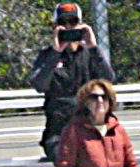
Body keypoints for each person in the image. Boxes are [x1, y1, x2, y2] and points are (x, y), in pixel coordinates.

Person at [30, 2, 113, 155]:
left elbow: (108, 79)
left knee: (99, 153)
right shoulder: (47, 56)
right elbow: (40, 85)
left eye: (72, 22)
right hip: (59, 132)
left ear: (80, 25)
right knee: (66, 154)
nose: (68, 27)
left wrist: (93, 47)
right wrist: (56, 53)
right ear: (55, 26)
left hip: (90, 127)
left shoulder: (89, 55)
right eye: (63, 22)